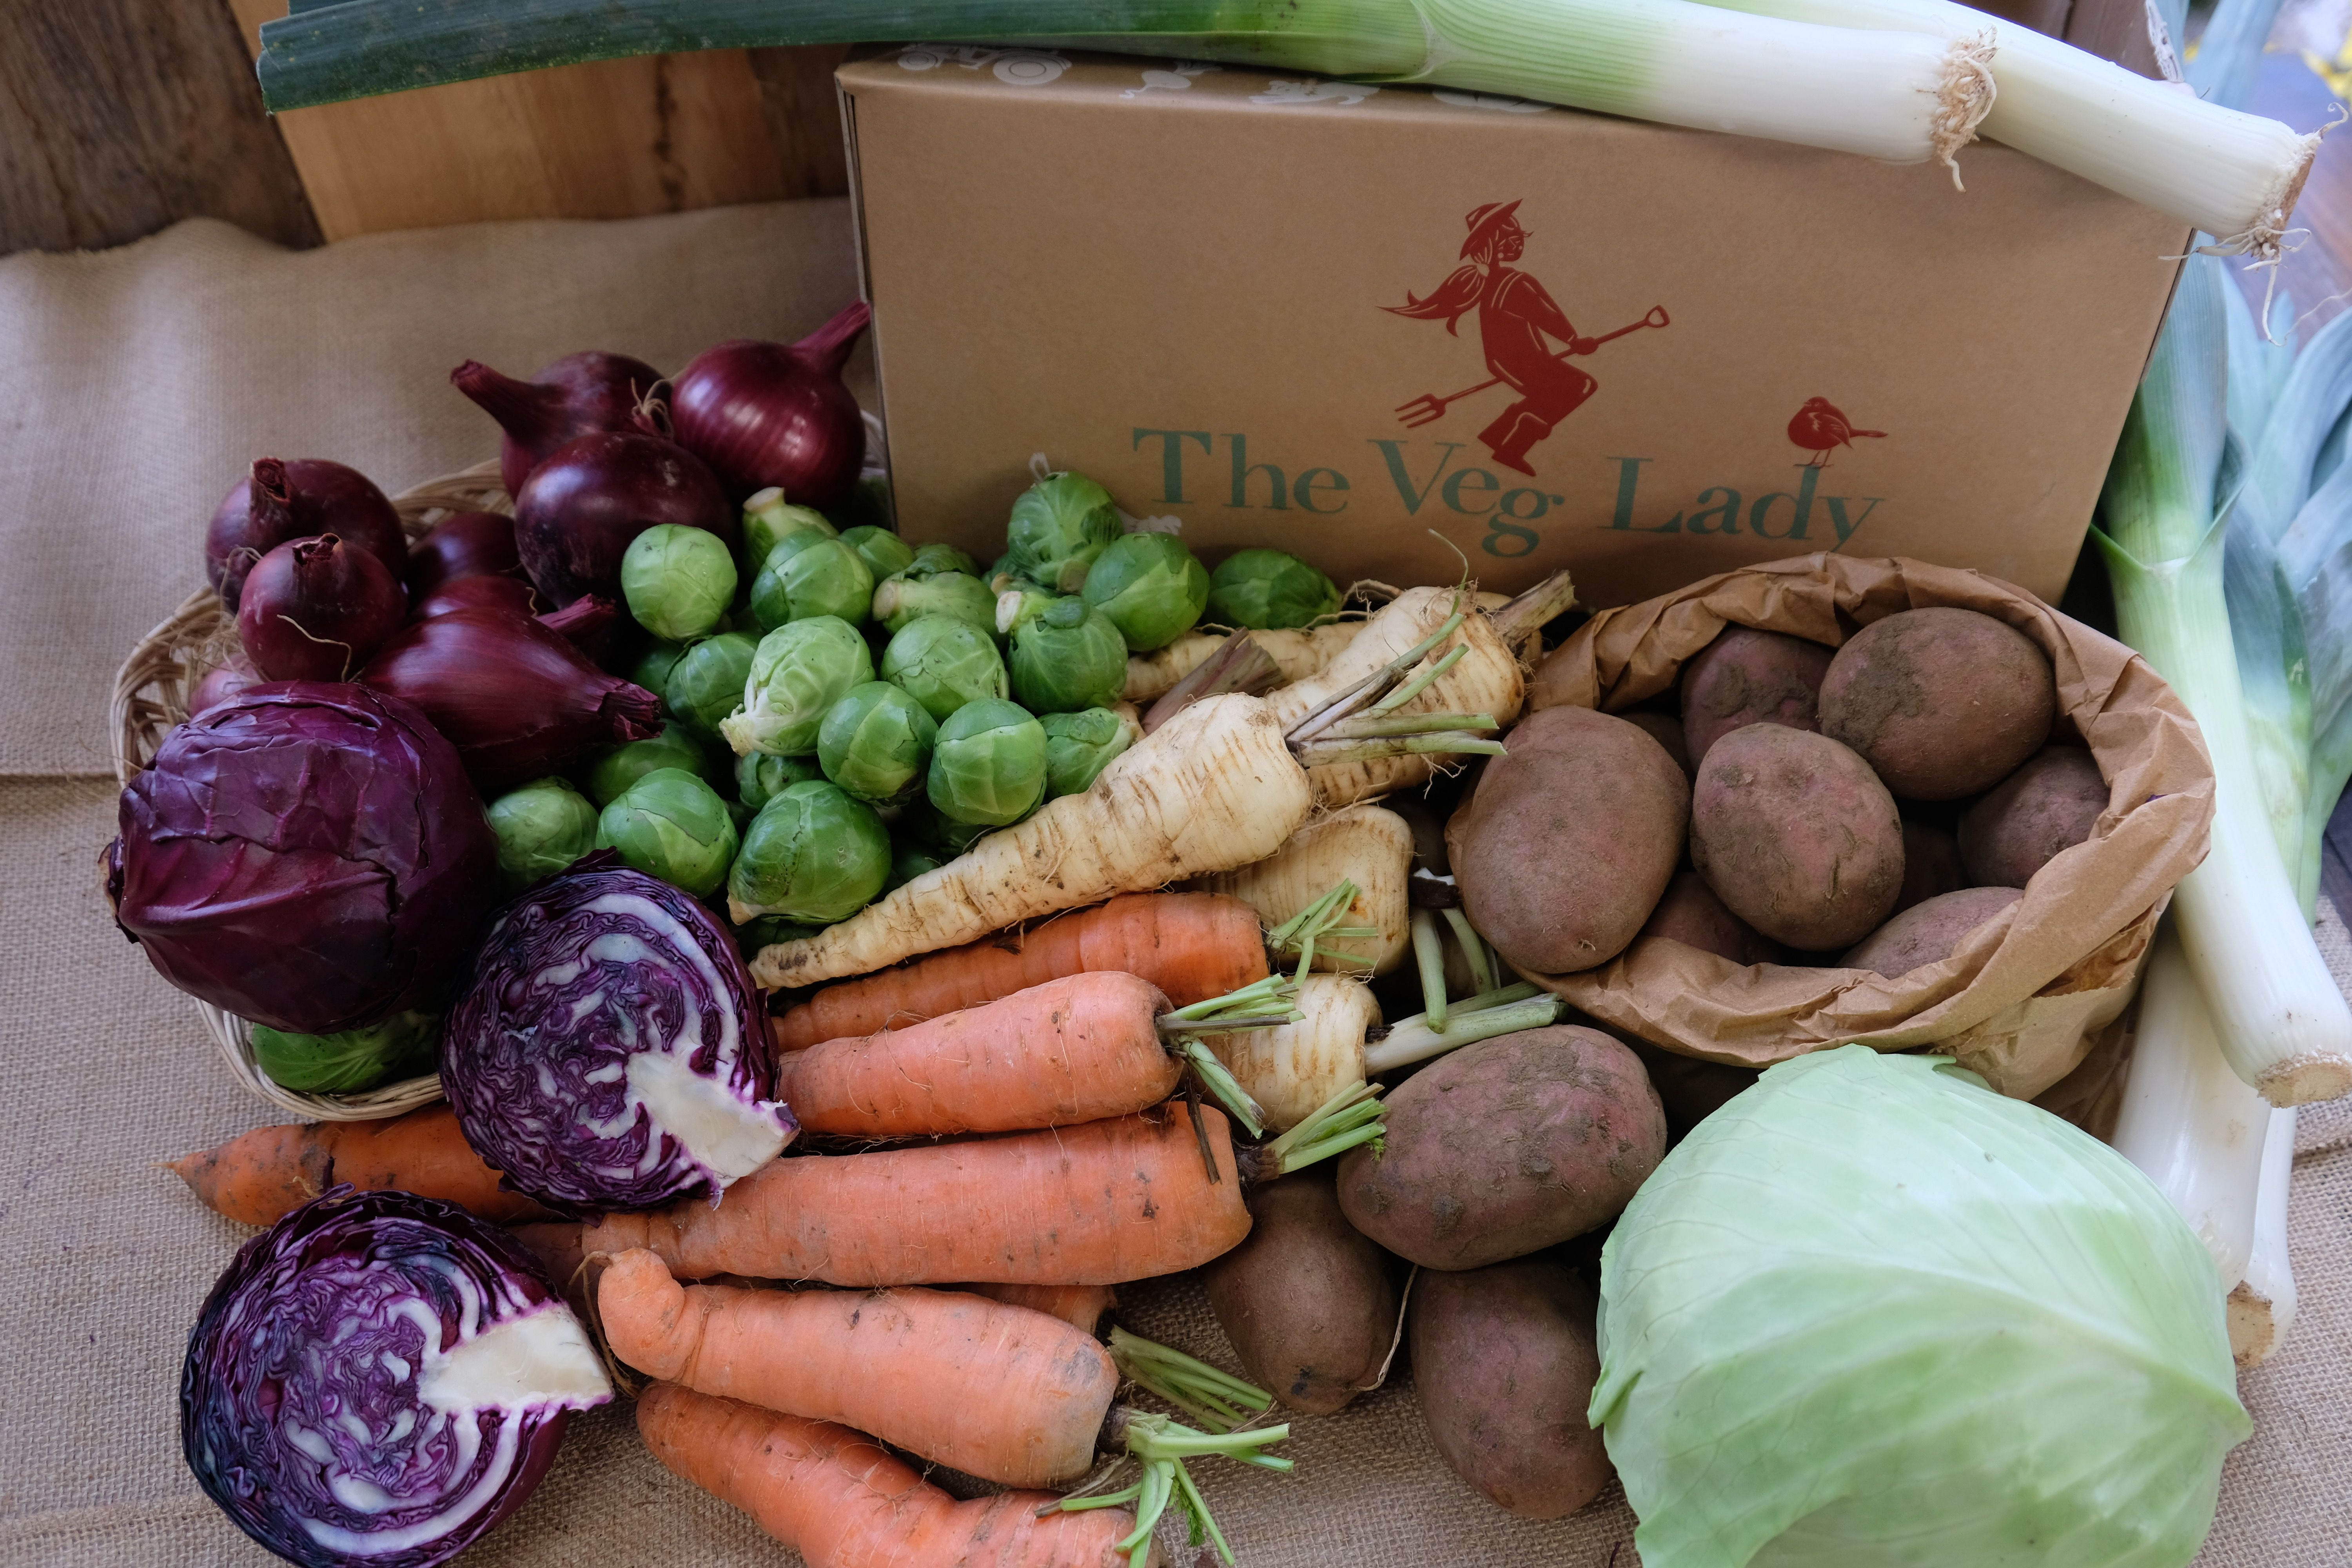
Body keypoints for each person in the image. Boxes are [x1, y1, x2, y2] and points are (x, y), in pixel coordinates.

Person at [1387, 200, 1597, 475]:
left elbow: (1541, 315)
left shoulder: (1493, 281)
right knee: (1579, 385)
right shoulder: (1515, 282)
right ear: (1491, 245)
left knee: (1549, 392)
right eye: (1509, 238)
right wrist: (1574, 341)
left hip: (1504, 360)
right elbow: (1547, 315)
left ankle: (1495, 435)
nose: (1517, 243)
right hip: (1523, 361)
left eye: (1519, 237)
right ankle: (1513, 449)